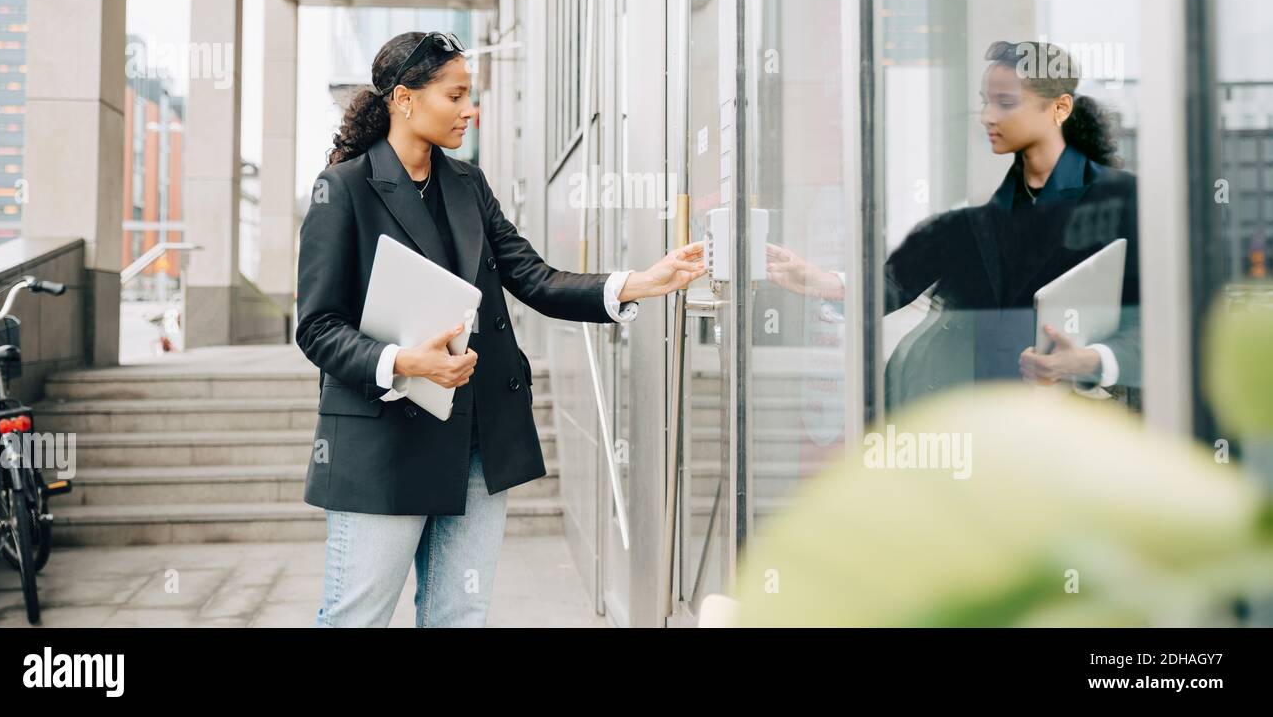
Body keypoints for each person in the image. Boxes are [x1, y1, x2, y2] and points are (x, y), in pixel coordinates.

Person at [296, 30, 705, 627]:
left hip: (479, 437)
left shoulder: (468, 184)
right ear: (404, 100)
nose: (471, 109)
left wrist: (641, 282)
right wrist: (406, 361)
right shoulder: (344, 188)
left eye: (472, 95)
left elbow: (534, 278)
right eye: (456, 95)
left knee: (459, 613)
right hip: (383, 441)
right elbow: (317, 326)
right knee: (357, 617)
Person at [766, 40, 1141, 409]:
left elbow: (1159, 319)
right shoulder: (989, 210)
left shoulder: (1122, 201)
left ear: (1059, 108)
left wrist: (1095, 362)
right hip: (964, 412)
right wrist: (825, 283)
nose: (987, 116)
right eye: (985, 101)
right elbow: (900, 281)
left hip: (1062, 426)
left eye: (1005, 103)